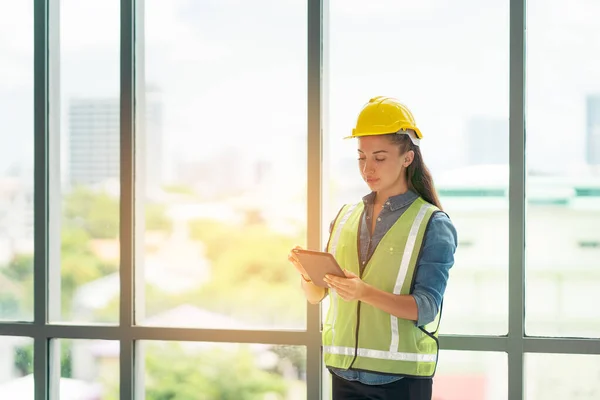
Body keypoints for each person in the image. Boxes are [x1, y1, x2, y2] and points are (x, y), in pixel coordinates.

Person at [288, 96, 457, 400]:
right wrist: (307, 276)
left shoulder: (432, 224)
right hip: (342, 374)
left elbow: (426, 308)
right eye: (361, 157)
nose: (368, 168)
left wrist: (364, 292)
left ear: (407, 158)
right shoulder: (344, 217)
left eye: (379, 157)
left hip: (400, 382)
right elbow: (316, 297)